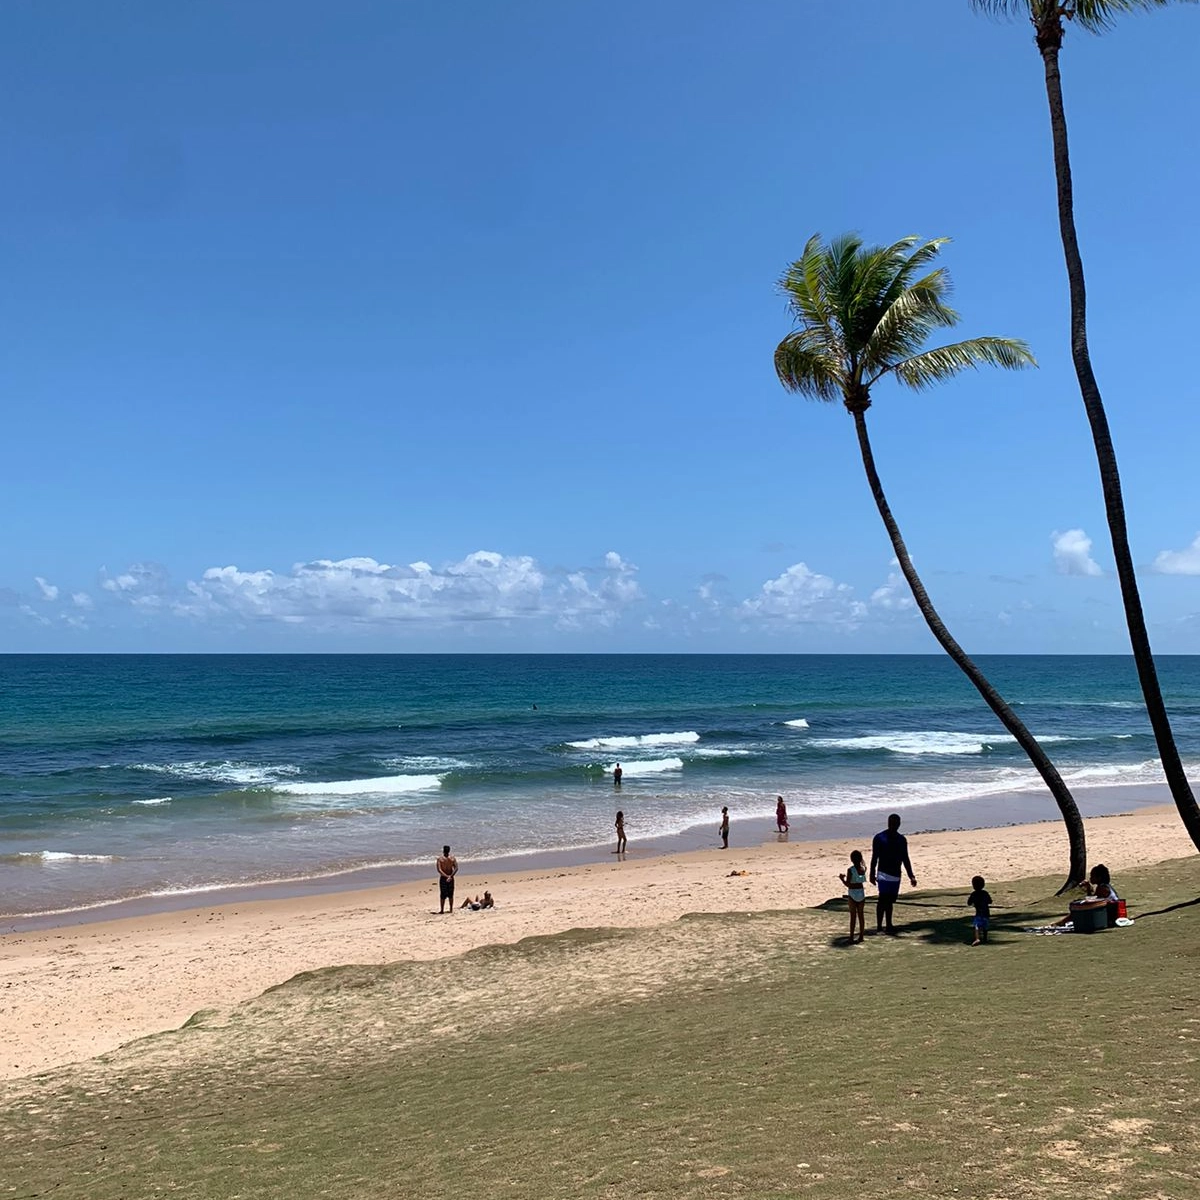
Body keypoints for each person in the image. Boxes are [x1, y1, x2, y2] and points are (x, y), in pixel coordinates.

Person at [869, 813, 916, 934]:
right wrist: (872, 873)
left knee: (889, 901)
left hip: (896, 875)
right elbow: (875, 857)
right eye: (892, 823)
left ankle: (889, 925)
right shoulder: (879, 838)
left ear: (899, 824)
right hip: (883, 874)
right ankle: (880, 926)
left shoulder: (901, 840)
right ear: (888, 823)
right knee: (882, 899)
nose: (893, 825)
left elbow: (906, 858)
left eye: (895, 823)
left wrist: (911, 876)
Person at [839, 849, 867, 943]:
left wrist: (842, 879)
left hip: (852, 893)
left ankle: (851, 937)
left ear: (851, 859)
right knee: (861, 915)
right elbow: (861, 882)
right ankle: (861, 936)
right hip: (861, 893)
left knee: (853, 916)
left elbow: (849, 884)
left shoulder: (850, 870)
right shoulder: (863, 869)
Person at [968, 875, 992, 946]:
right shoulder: (985, 893)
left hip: (978, 913)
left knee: (976, 926)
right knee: (985, 926)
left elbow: (969, 903)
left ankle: (977, 938)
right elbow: (990, 901)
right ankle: (985, 938)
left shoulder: (974, 894)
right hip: (986, 913)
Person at [436, 845, 457, 914]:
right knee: (451, 894)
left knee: (443, 895)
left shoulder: (440, 859)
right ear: (449, 851)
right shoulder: (453, 858)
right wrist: (450, 876)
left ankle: (442, 910)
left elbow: (439, 870)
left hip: (443, 878)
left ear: (443, 850)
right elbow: (456, 868)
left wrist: (446, 876)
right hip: (451, 878)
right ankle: (451, 909)